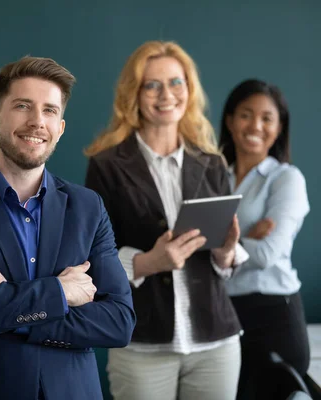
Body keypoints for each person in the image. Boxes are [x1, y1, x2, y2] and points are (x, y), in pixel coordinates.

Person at [0, 56, 136, 400]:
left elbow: (119, 322)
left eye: (49, 111)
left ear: (60, 128)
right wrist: (59, 293)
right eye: (22, 106)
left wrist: (7, 302)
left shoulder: (87, 206)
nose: (37, 122)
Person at [84, 41, 247, 400]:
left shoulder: (212, 162)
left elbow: (226, 261)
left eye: (176, 82)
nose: (166, 94)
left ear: (189, 89)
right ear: (135, 94)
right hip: (141, 343)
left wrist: (227, 252)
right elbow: (93, 261)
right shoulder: (106, 166)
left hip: (215, 342)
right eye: (152, 84)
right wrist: (150, 262)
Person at [220, 79, 310, 400]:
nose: (255, 125)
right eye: (246, 115)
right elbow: (197, 248)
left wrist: (225, 241)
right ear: (230, 121)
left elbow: (269, 253)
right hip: (225, 317)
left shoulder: (286, 179)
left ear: (279, 127)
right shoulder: (216, 176)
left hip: (275, 319)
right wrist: (246, 235)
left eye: (267, 118)